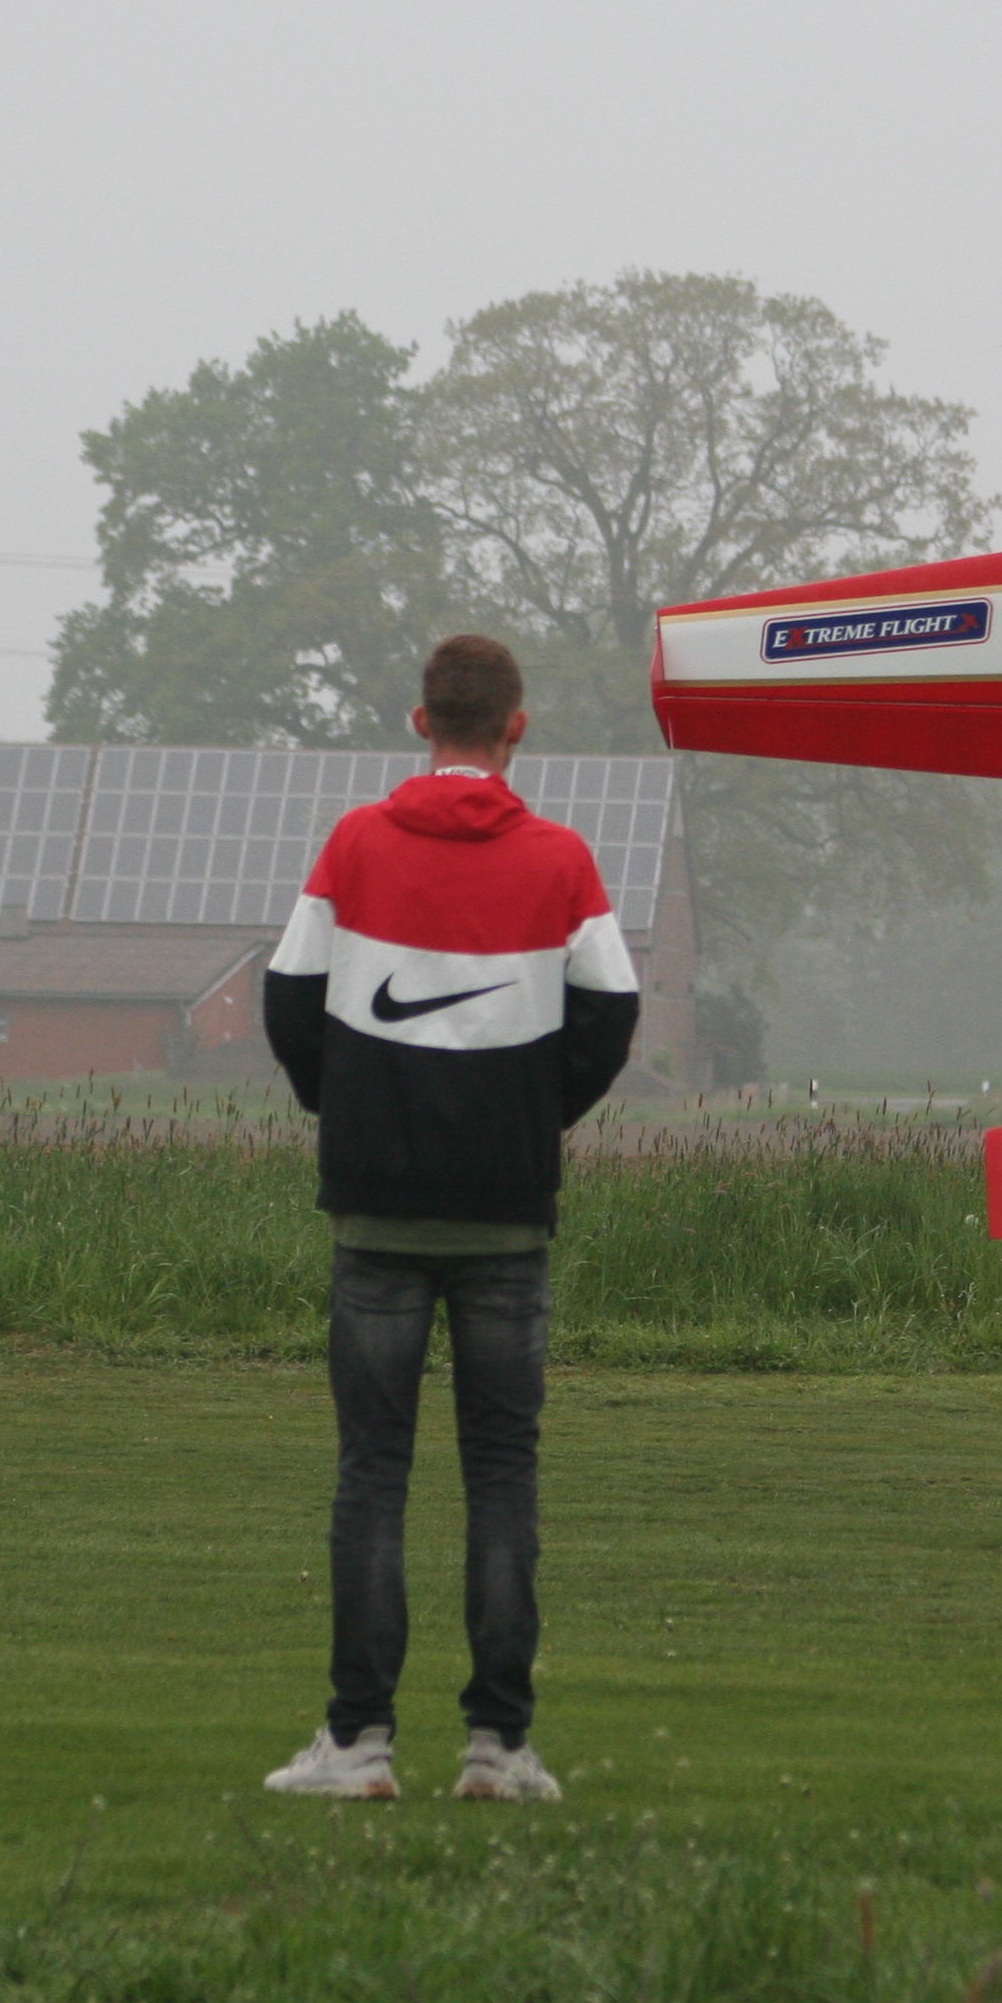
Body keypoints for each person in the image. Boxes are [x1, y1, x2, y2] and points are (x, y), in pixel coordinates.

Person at [257, 634, 638, 1803]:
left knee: (372, 1473)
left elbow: (288, 1001)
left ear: (420, 723)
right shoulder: (562, 859)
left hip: (376, 1213)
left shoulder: (355, 845)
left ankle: (359, 1744)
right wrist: (535, 1113)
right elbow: (613, 1012)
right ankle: (498, 1748)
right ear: (516, 727)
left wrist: (342, 1103)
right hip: (505, 1221)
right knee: (502, 1475)